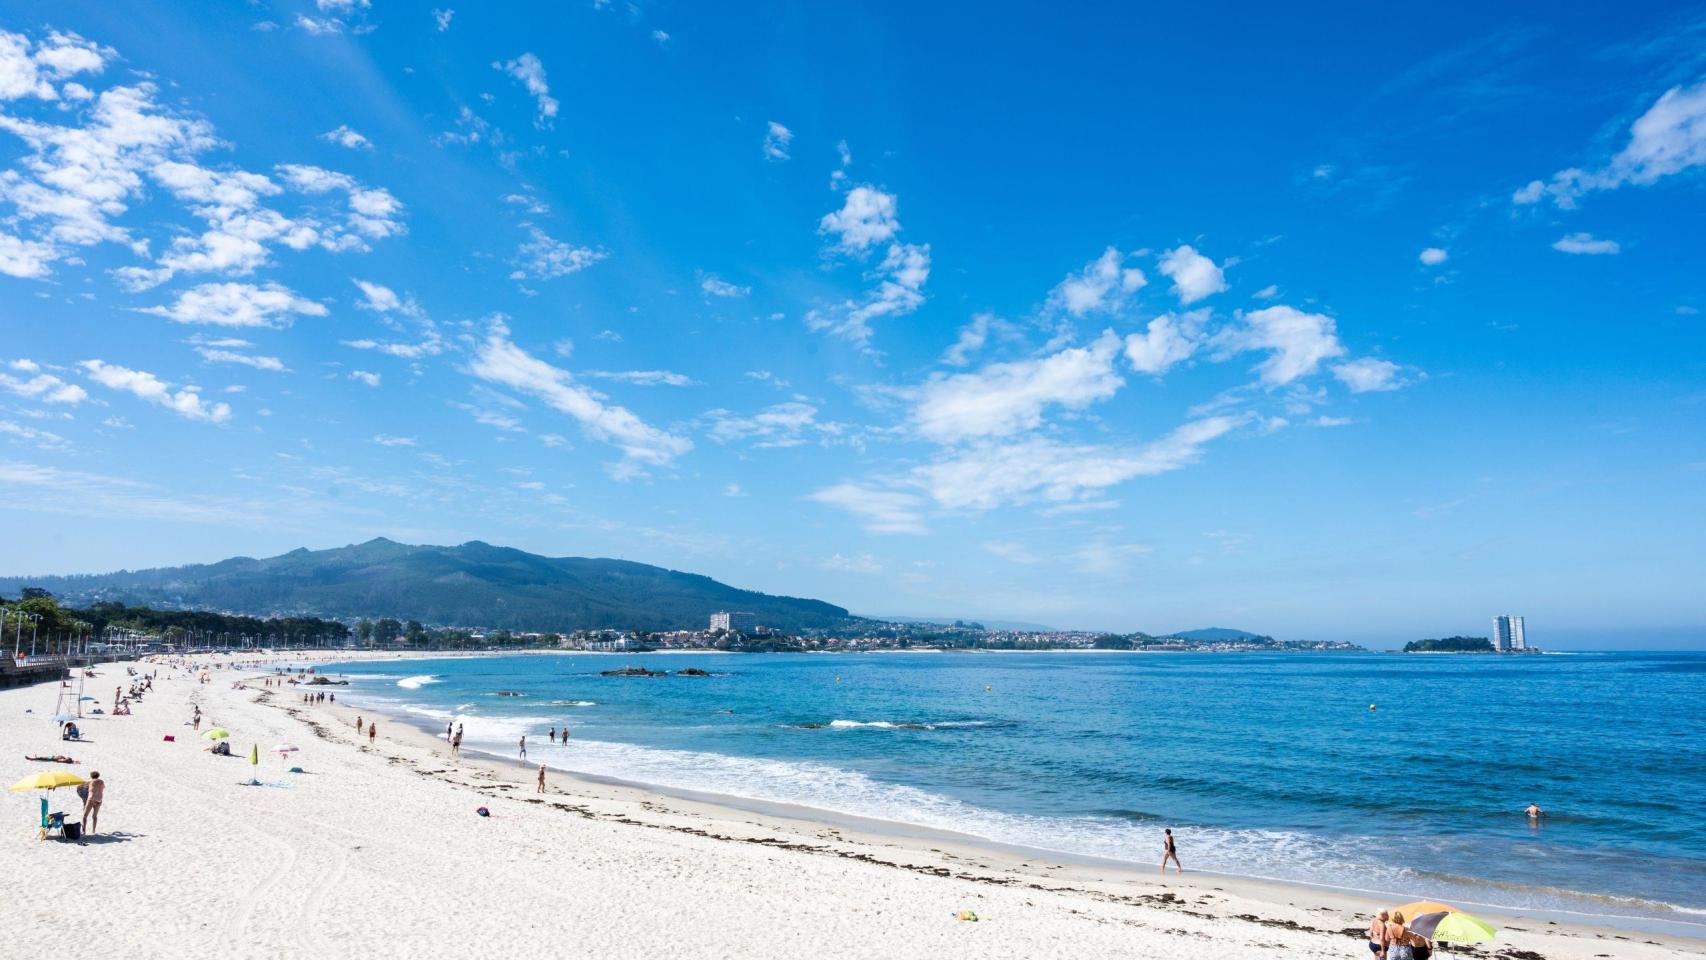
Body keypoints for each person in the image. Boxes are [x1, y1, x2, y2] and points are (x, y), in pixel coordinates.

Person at [83, 771, 104, 835]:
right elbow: (103, 788)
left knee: (85, 816)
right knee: (94, 816)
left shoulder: (91, 782)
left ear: (91, 776)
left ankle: (84, 831)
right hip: (99, 799)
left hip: (91, 799)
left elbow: (84, 787)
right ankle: (93, 830)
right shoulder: (102, 782)